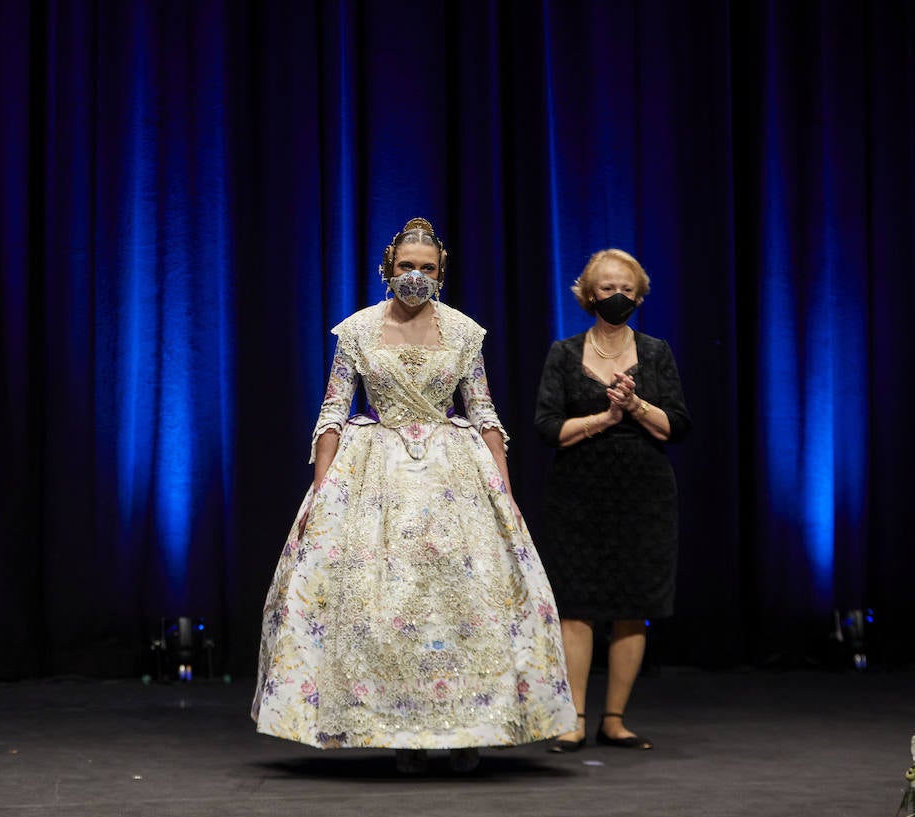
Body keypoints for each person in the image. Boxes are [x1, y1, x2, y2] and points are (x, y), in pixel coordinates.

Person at [252, 218, 576, 774]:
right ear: (387, 269)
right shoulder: (356, 330)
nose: (416, 278)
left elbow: (483, 410)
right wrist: (323, 489)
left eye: (428, 269)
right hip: (375, 472)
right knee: (383, 603)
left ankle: (469, 731)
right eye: (407, 267)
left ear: (441, 275)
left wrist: (504, 487)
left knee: (460, 604)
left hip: (454, 475)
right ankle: (401, 730)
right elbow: (333, 410)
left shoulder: (463, 332)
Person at [533, 249, 690, 753]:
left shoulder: (657, 352)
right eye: (607, 288)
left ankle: (615, 719)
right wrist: (603, 418)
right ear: (588, 295)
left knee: (633, 606)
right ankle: (573, 718)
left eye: (626, 289)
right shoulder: (563, 353)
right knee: (575, 607)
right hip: (578, 494)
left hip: (643, 494)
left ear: (639, 295)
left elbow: (678, 426)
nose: (617, 296)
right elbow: (548, 428)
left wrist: (635, 405)